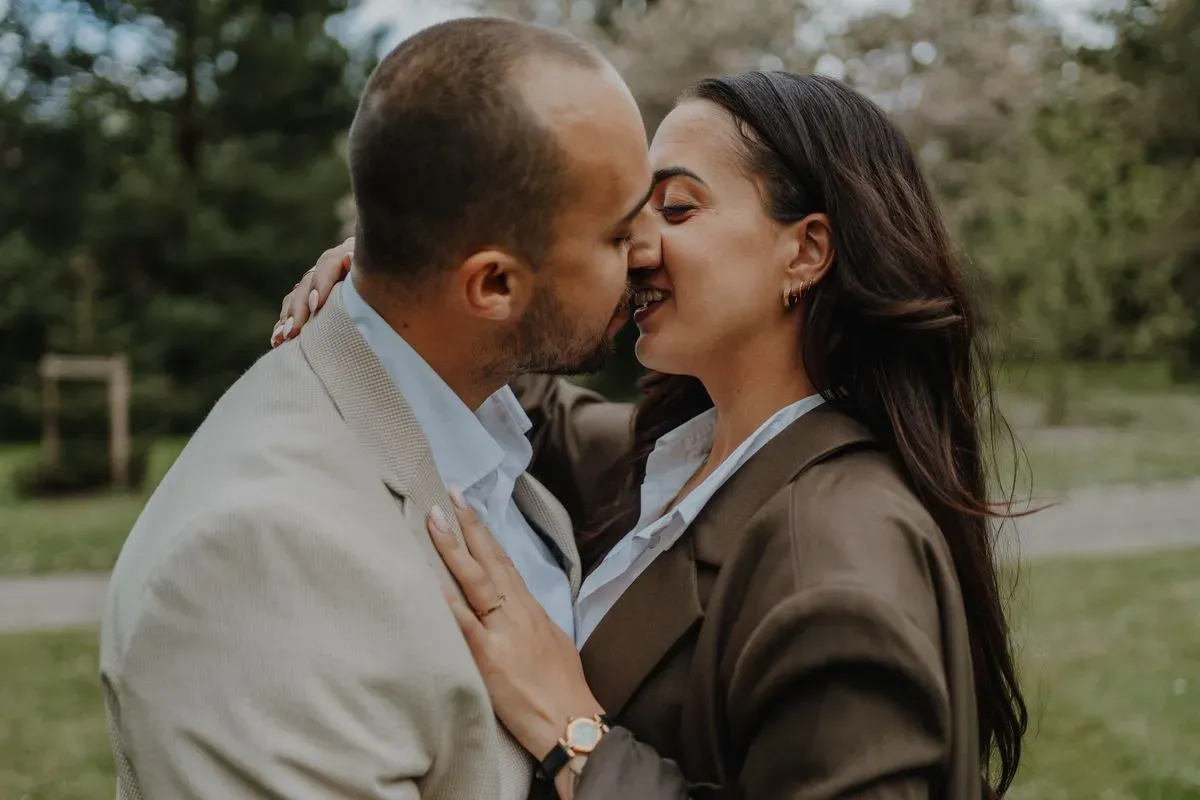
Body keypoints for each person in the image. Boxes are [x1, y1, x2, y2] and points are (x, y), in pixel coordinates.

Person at [281, 72, 1028, 798]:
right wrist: (418, 277)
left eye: (675, 208)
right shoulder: (689, 460)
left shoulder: (836, 555)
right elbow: (534, 407)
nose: (635, 249)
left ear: (804, 251)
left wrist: (571, 731)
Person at [99, 18, 653, 800]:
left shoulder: (477, 424)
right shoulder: (261, 557)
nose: (649, 251)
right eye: (619, 234)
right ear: (493, 285)